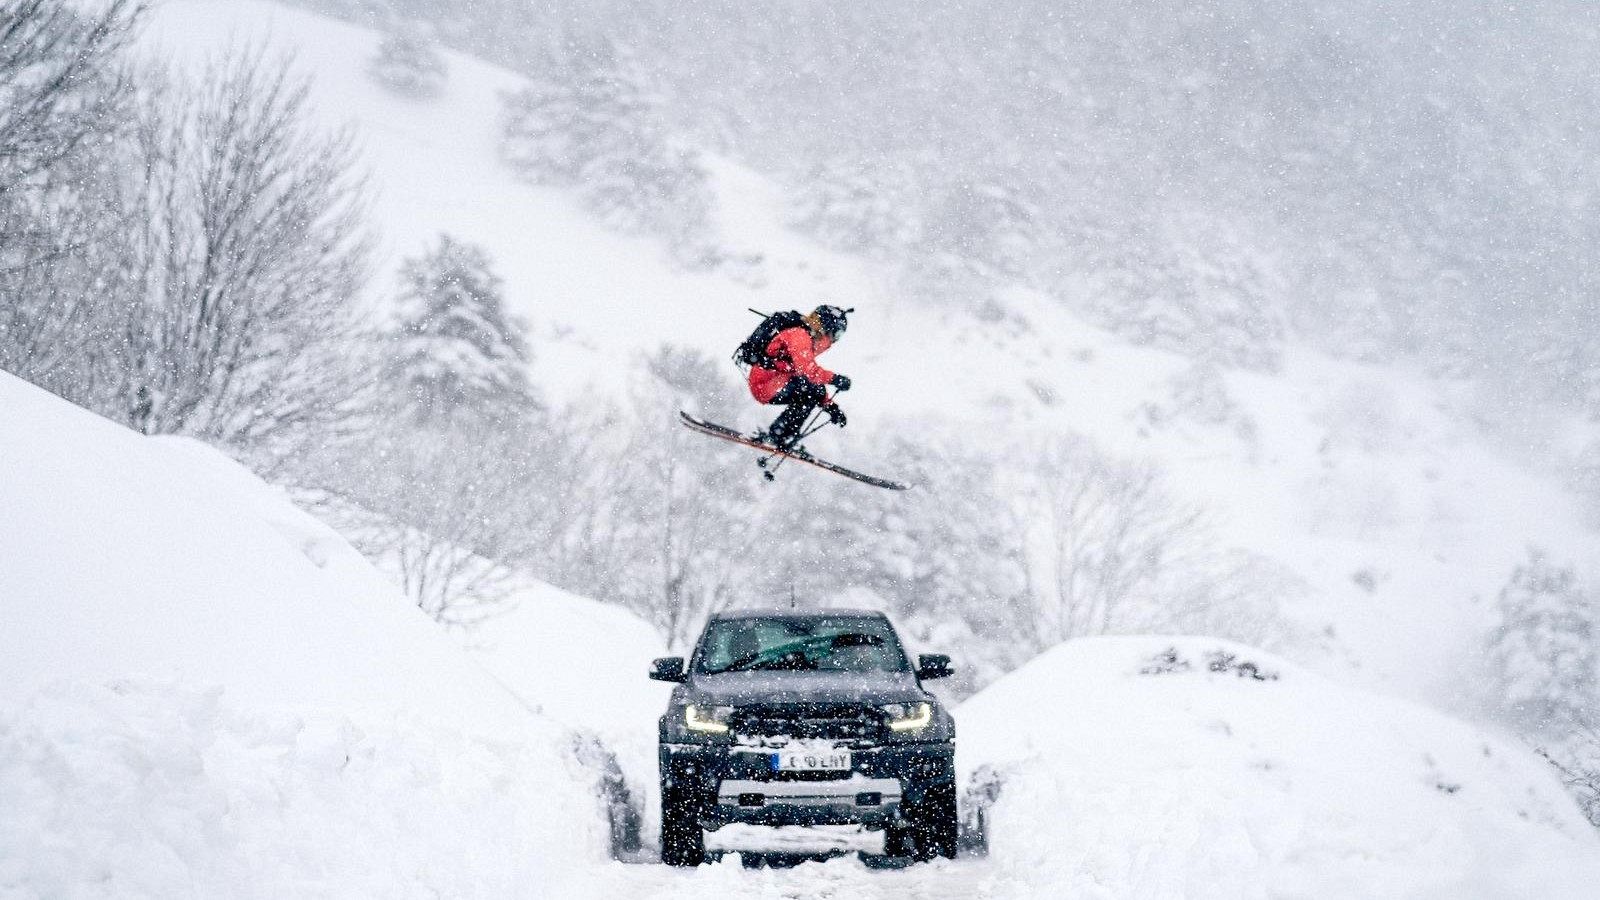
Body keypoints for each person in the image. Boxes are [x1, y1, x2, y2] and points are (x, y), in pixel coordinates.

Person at [747, 304, 852, 451]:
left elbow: (809, 379)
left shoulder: (806, 337)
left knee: (811, 392)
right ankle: (779, 434)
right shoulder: (799, 335)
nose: (835, 340)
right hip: (766, 383)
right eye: (837, 333)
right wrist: (835, 379)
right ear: (827, 327)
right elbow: (809, 371)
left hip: (774, 382)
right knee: (809, 391)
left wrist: (831, 407)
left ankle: (782, 434)